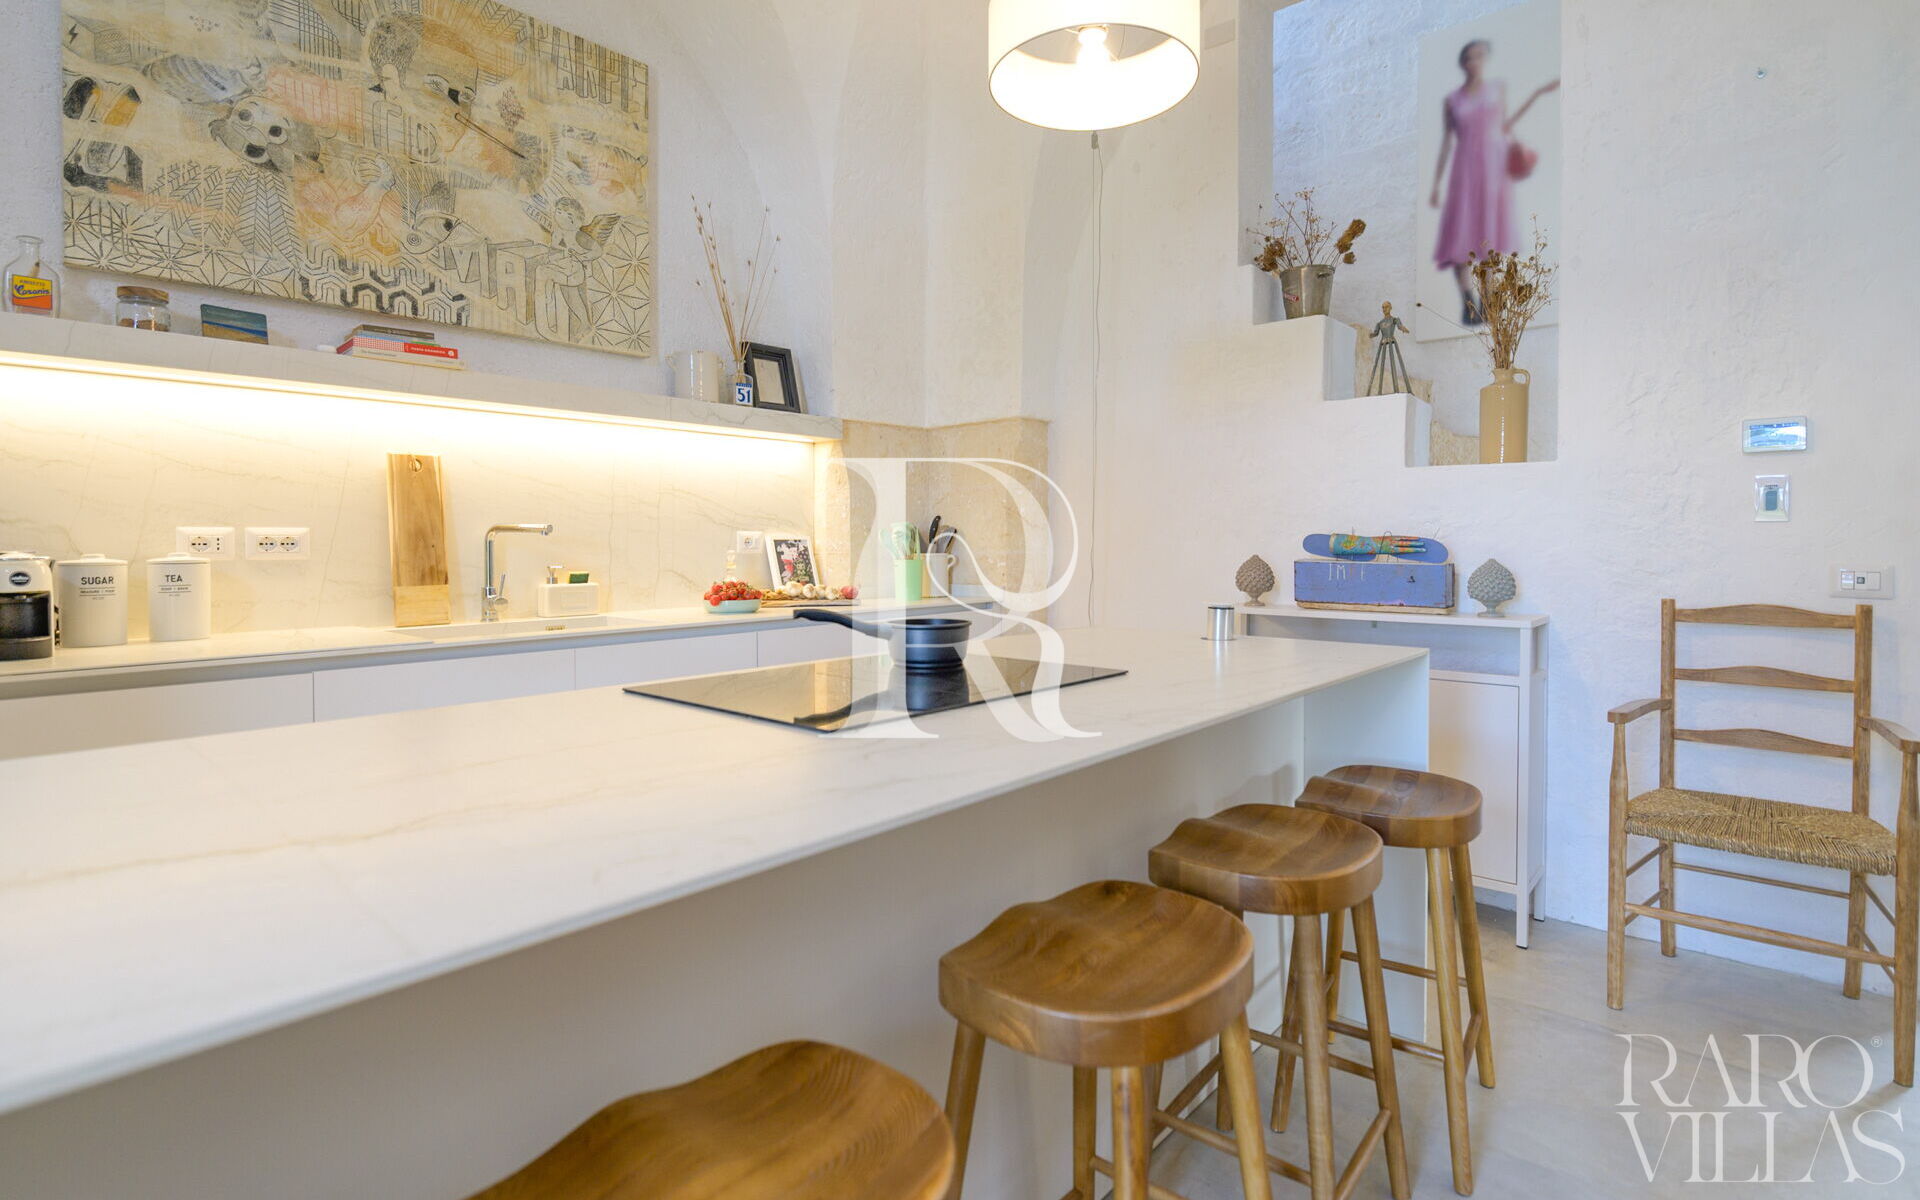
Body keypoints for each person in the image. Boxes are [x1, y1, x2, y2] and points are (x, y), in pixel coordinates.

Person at [1429, 39, 1558, 326]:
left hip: (1493, 167)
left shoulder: (1497, 89)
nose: (1475, 62)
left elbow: (1506, 125)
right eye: (1470, 57)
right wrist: (1436, 184)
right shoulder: (1452, 101)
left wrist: (1537, 94)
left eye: (1480, 56)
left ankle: (1487, 302)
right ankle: (1467, 301)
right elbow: (1446, 142)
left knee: (1487, 237)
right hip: (1464, 168)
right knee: (1460, 234)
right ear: (1463, 62)